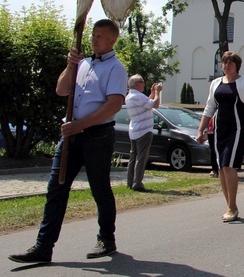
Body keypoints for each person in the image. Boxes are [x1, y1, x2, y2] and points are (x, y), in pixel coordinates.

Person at [9, 19, 127, 264]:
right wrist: (70, 66)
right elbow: (61, 90)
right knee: (56, 189)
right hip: (71, 136)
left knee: (100, 190)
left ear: (112, 40)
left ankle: (106, 239)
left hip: (97, 136)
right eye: (93, 35)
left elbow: (114, 105)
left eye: (100, 36)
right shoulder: (83, 64)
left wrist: (81, 125)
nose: (94, 40)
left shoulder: (116, 68)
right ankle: (43, 247)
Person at [196, 51, 244, 222]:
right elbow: (209, 107)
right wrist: (200, 130)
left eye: (231, 63)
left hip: (237, 129)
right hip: (219, 129)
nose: (227, 66)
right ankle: (230, 205)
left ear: (237, 65)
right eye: (224, 63)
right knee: (221, 167)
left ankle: (232, 206)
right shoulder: (215, 83)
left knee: (229, 165)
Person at [125, 75, 161, 191]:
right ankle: (138, 183)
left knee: (133, 157)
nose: (144, 84)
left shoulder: (131, 96)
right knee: (141, 157)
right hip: (144, 130)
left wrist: (152, 93)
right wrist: (158, 92)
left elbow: (147, 104)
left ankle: (130, 181)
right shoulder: (137, 96)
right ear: (136, 84)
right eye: (142, 82)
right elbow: (155, 104)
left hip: (134, 130)